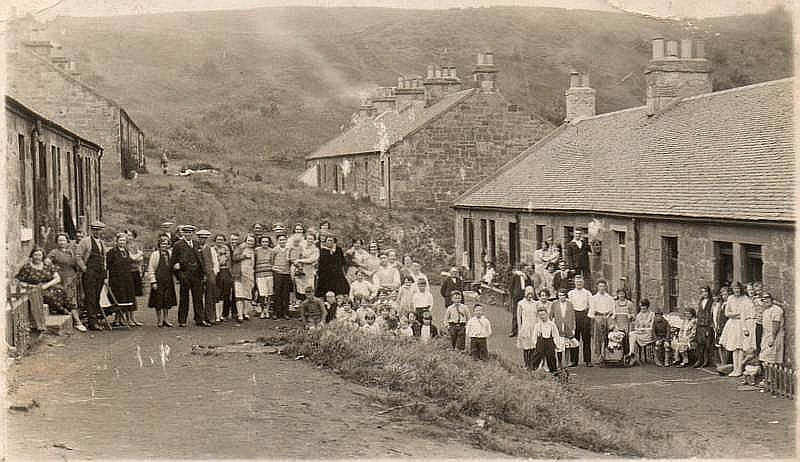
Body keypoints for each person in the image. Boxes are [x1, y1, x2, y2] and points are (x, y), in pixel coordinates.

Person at [15, 247, 73, 331]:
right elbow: (18, 281)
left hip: (48, 286)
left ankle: (69, 310)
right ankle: (62, 310)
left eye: (39, 255)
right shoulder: (27, 267)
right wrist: (29, 285)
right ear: (32, 256)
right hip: (35, 289)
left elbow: (57, 278)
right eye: (35, 255)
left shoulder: (47, 265)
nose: (37, 257)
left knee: (61, 291)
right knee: (49, 296)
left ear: (42, 256)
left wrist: (46, 285)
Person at [47, 233, 87, 331]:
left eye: (63, 240)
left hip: (72, 278)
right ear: (56, 242)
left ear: (67, 241)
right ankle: (77, 322)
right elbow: (46, 263)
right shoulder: (54, 252)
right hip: (61, 278)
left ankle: (75, 319)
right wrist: (55, 270)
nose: (61, 242)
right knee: (69, 299)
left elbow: (77, 262)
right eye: (59, 240)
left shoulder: (71, 252)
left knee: (75, 298)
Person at [171, 225, 206, 327]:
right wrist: (178, 275)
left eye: (190, 233)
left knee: (198, 298)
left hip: (196, 275)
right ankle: (182, 321)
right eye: (186, 232)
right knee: (184, 298)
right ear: (183, 233)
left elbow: (201, 259)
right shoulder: (178, 245)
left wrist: (202, 273)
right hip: (184, 274)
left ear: (193, 233)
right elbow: (173, 261)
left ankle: (199, 319)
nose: (188, 234)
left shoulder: (196, 243)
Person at [76, 221, 108, 331]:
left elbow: (104, 258)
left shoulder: (102, 243)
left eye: (99, 230)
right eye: (95, 230)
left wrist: (104, 272)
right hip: (90, 272)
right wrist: (84, 268)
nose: (97, 232)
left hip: (100, 273)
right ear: (91, 230)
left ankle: (95, 320)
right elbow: (78, 256)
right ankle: (92, 323)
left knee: (97, 296)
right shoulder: (85, 242)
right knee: (90, 297)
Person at [719, 282, 756, 377]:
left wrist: (741, 316)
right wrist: (736, 314)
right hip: (733, 324)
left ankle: (739, 369)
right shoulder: (730, 298)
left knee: (741, 347)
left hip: (743, 324)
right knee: (734, 347)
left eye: (738, 288)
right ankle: (735, 369)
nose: (737, 290)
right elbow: (727, 313)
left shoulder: (745, 298)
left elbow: (748, 313)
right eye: (735, 288)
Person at [105, 233, 137, 326]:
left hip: (127, 278)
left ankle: (125, 319)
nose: (122, 242)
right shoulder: (112, 252)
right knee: (118, 298)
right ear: (116, 241)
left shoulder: (126, 251)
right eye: (120, 240)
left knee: (126, 297)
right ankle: (117, 319)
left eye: (123, 240)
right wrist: (106, 277)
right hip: (116, 279)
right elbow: (107, 266)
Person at [145, 235, 177, 327]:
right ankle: (159, 320)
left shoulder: (170, 254)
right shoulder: (155, 254)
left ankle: (166, 319)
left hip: (168, 280)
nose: (164, 246)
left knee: (167, 300)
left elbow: (174, 266)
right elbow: (151, 268)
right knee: (158, 301)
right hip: (158, 280)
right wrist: (153, 281)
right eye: (162, 244)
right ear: (159, 245)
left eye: (166, 244)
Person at [529, 306, 563, 374]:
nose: (542, 317)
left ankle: (553, 372)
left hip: (549, 343)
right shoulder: (538, 325)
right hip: (541, 343)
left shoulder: (552, 324)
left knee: (551, 357)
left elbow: (556, 336)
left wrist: (557, 344)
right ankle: (533, 371)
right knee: (537, 357)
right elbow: (534, 336)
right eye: (540, 315)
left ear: (547, 314)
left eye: (543, 314)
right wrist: (536, 344)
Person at [567, 275, 592, 367]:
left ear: (583, 282)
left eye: (580, 282)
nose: (579, 283)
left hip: (584, 315)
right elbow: (569, 306)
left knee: (586, 339)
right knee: (574, 339)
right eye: (577, 282)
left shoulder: (588, 293)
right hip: (574, 315)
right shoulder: (570, 293)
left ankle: (588, 360)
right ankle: (574, 360)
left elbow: (591, 306)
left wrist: (588, 316)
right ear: (574, 283)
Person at [588, 280, 614, 365]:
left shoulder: (609, 298)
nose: (602, 288)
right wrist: (594, 319)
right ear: (597, 287)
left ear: (605, 287)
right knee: (597, 338)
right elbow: (592, 310)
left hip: (607, 317)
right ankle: (598, 356)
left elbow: (612, 309)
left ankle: (607, 355)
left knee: (607, 337)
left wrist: (610, 317)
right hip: (598, 317)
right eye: (600, 286)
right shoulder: (593, 298)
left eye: (603, 286)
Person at [232, 234, 256, 322]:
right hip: (239, 274)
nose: (250, 242)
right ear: (245, 240)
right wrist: (244, 256)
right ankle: (240, 315)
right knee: (239, 295)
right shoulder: (240, 248)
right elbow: (234, 258)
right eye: (249, 240)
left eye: (252, 241)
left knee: (247, 295)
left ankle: (245, 313)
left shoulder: (253, 251)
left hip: (249, 274)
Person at [197, 230, 219, 325]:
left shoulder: (211, 249)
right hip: (198, 275)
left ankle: (210, 317)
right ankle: (199, 318)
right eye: (201, 238)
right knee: (198, 296)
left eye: (204, 238)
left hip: (210, 274)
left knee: (210, 296)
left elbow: (215, 262)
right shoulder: (195, 248)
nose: (203, 240)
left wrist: (214, 273)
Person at [550, 288, 576, 368]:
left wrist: (573, 328)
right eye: (560, 295)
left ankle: (567, 362)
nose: (561, 297)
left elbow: (573, 317)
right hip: (558, 327)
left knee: (567, 346)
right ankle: (560, 363)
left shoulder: (570, 304)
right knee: (559, 346)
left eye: (563, 295)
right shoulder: (554, 304)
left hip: (567, 327)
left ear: (566, 296)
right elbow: (551, 316)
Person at [626, 298, 655, 366]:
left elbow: (652, 327)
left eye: (644, 307)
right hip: (640, 334)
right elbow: (636, 327)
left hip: (648, 335)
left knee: (633, 336)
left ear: (647, 306)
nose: (642, 308)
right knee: (632, 334)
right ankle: (631, 353)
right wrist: (639, 329)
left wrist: (644, 329)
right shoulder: (639, 315)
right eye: (641, 307)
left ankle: (632, 355)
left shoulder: (652, 314)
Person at [516, 286, 539, 369]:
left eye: (531, 294)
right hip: (525, 327)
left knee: (533, 346)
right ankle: (526, 364)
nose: (530, 296)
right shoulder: (521, 303)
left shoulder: (535, 303)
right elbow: (518, 317)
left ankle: (531, 364)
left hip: (534, 326)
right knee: (526, 347)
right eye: (528, 294)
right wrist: (520, 328)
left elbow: (537, 316)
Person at [125, 229, 145, 326]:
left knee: (134, 296)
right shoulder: (125, 246)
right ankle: (128, 319)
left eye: (130, 235)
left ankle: (133, 318)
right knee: (128, 295)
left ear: (133, 237)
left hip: (135, 271)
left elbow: (140, 259)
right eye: (127, 235)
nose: (128, 237)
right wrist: (139, 254)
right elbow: (132, 258)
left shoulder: (136, 245)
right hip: (127, 272)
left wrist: (137, 256)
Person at [759, 293, 784, 366]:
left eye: (767, 298)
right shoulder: (766, 311)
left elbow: (776, 325)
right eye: (763, 299)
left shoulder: (776, 310)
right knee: (765, 358)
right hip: (766, 336)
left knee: (771, 359)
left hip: (774, 336)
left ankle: (771, 373)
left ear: (771, 299)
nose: (766, 300)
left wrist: (772, 339)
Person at [272, 233, 293, 320]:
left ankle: (285, 312)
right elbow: (271, 260)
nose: (282, 241)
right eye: (280, 240)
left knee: (286, 293)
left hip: (287, 273)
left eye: (284, 240)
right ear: (277, 241)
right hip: (277, 273)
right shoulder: (275, 250)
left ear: (286, 240)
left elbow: (291, 260)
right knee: (277, 293)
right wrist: (275, 268)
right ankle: (276, 312)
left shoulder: (289, 249)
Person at [293, 233, 320, 301]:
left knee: (309, 288)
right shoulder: (302, 247)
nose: (309, 240)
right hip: (300, 271)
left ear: (314, 240)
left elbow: (312, 259)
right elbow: (295, 256)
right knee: (300, 288)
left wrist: (300, 260)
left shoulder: (316, 249)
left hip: (309, 271)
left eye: (311, 239)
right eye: (308, 238)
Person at [253, 236, 274, 319]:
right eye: (263, 242)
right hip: (259, 275)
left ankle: (267, 310)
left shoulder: (272, 251)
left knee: (269, 294)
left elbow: (272, 261)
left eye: (266, 242)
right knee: (262, 294)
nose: (265, 243)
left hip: (269, 274)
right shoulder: (256, 250)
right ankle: (262, 311)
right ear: (260, 242)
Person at [693, 286, 715, 368]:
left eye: (706, 292)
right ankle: (699, 360)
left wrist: (710, 323)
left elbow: (712, 313)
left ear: (708, 292)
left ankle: (706, 360)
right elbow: (699, 312)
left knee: (707, 343)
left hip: (707, 324)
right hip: (700, 324)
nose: (704, 294)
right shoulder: (701, 301)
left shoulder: (711, 301)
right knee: (700, 342)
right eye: (702, 292)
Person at [508, 264, 531, 337]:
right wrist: (512, 296)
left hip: (524, 297)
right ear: (522, 269)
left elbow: (529, 286)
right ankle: (514, 330)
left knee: (525, 313)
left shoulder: (527, 277)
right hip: (517, 297)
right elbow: (511, 287)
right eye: (525, 269)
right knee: (515, 313)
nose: (527, 270)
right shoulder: (516, 276)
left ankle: (523, 330)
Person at [222, 234, 241, 321]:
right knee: (226, 293)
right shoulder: (226, 247)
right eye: (232, 239)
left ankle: (234, 312)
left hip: (237, 272)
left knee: (235, 293)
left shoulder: (240, 248)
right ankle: (225, 313)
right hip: (227, 271)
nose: (234, 241)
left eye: (235, 239)